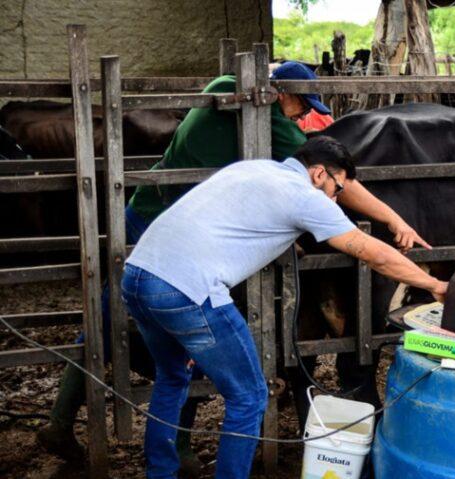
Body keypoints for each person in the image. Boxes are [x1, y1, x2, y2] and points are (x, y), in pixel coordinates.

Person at [37, 66, 427, 474]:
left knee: (162, 368)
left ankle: (154, 464)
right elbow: (368, 246)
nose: (300, 117)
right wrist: (408, 242)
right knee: (249, 396)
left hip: (142, 261)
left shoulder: (234, 117)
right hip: (184, 276)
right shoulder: (291, 160)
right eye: (300, 105)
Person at [121, 136, 447, 478]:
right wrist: (433, 284)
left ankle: (160, 472)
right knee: (248, 396)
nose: (337, 200)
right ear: (319, 173)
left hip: (138, 276)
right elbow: (373, 253)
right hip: (188, 291)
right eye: (338, 190)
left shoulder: (255, 169)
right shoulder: (306, 198)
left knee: (172, 377)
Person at [270, 61, 334, 133]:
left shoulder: (323, 119)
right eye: (303, 106)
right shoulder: (272, 119)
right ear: (283, 94)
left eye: (308, 111)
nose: (303, 117)